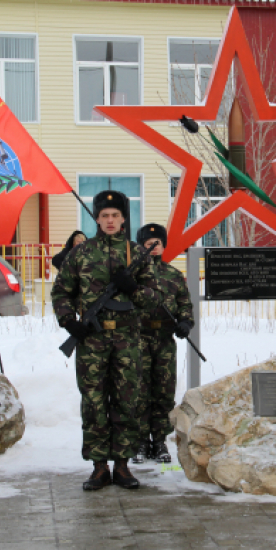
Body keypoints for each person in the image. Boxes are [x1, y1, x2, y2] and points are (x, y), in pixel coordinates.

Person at [51, 190, 161, 490]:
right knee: (94, 402)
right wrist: (70, 322)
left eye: (115, 215)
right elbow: (61, 292)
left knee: (128, 401)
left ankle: (123, 465)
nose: (110, 220)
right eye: (104, 216)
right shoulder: (80, 254)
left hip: (128, 339)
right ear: (97, 219)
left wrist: (133, 289)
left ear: (124, 219)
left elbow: (155, 298)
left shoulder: (136, 253)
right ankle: (99, 467)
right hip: (92, 340)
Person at [133, 223, 194, 464]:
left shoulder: (172, 275)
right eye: (148, 244)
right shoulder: (133, 275)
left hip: (164, 341)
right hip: (138, 339)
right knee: (139, 390)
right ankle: (139, 441)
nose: (154, 247)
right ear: (140, 246)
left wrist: (185, 323)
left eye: (157, 243)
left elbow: (185, 305)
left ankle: (159, 441)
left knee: (163, 391)